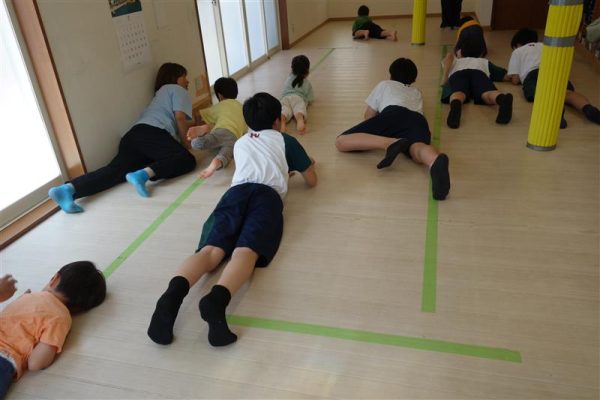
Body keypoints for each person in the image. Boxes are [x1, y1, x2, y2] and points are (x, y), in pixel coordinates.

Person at [147, 92, 317, 347]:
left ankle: (170, 297)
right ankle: (217, 300)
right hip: (267, 197)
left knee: (211, 250)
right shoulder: (286, 140)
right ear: (277, 120)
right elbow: (312, 181)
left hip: (235, 193)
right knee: (245, 251)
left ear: (247, 121)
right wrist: (308, 165)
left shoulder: (241, 142)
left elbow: (254, 166)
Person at [48, 63, 198, 213]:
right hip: (151, 132)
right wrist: (187, 144)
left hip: (134, 136)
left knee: (115, 171)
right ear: (174, 77)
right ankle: (143, 174)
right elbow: (180, 118)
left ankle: (68, 189)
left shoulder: (160, 94)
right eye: (184, 76)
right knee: (186, 159)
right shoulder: (177, 89)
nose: (187, 81)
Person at [335, 58, 451, 201]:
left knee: (341, 141)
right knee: (417, 147)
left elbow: (368, 116)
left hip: (393, 113)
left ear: (390, 75)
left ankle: (390, 143)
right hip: (418, 120)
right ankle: (434, 160)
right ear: (413, 79)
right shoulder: (417, 92)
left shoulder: (384, 84)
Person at [0, 261, 106, 399]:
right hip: (4, 358)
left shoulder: (27, 296)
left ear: (55, 279)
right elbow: (36, 363)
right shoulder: (61, 317)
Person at [506, 28, 600, 127]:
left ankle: (555, 112)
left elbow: (515, 79)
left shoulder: (517, 52)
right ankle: (588, 108)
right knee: (567, 93)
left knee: (541, 94)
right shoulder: (545, 46)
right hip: (555, 72)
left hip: (533, 74)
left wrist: (514, 77)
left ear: (518, 44)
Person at [441, 37, 513, 129]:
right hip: (479, 73)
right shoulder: (484, 61)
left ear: (460, 52)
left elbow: (449, 56)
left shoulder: (456, 61)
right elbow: (505, 76)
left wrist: (445, 77)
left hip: (459, 74)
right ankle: (502, 99)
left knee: (458, 93)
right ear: (481, 54)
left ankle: (455, 108)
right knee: (487, 93)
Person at [186, 77, 247, 178]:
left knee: (197, 144)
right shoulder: (242, 107)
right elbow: (244, 132)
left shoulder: (221, 105)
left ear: (219, 95)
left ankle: (202, 133)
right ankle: (216, 162)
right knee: (226, 155)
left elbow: (198, 114)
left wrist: (198, 124)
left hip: (219, 131)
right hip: (233, 137)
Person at [280, 55, 314, 134]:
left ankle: (282, 121)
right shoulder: (307, 83)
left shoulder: (288, 79)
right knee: (299, 109)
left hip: (285, 98)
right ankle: (299, 119)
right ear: (307, 71)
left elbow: (283, 91)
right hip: (298, 98)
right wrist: (307, 102)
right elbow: (310, 99)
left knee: (284, 110)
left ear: (292, 69)